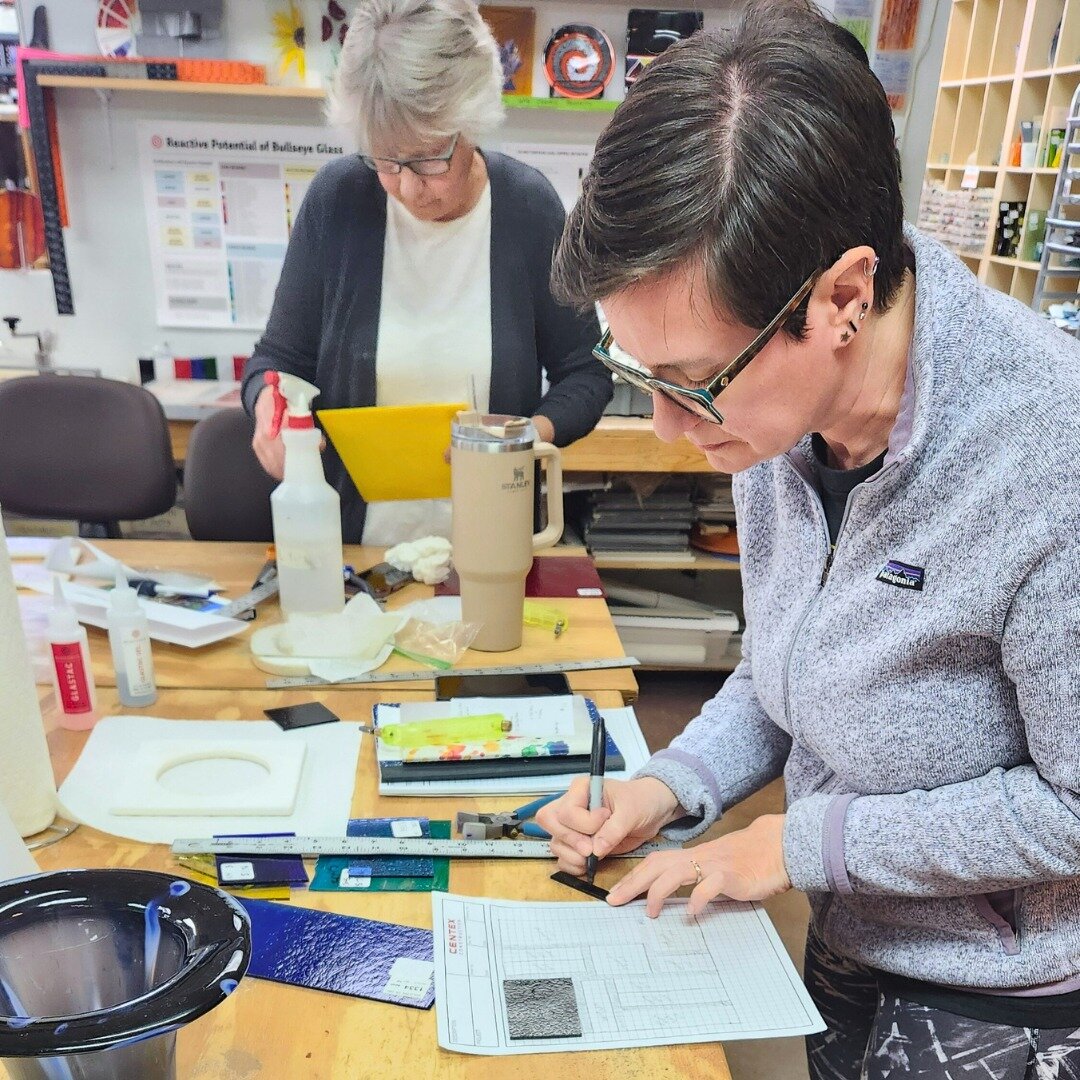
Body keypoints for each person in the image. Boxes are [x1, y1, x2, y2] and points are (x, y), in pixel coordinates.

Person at [535, 3, 1080, 1077]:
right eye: (646, 377)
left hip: (1010, 1006)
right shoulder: (778, 421)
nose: (667, 428)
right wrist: (674, 782)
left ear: (843, 296)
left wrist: (793, 844)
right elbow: (794, 668)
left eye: (693, 383)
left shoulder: (1048, 452)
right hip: (847, 945)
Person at [242, 0, 611, 544]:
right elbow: (276, 363)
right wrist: (268, 408)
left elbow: (586, 373)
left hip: (494, 545)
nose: (409, 186)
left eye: (429, 157)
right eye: (386, 161)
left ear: (473, 119)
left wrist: (520, 438)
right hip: (355, 553)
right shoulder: (337, 200)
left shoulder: (528, 209)